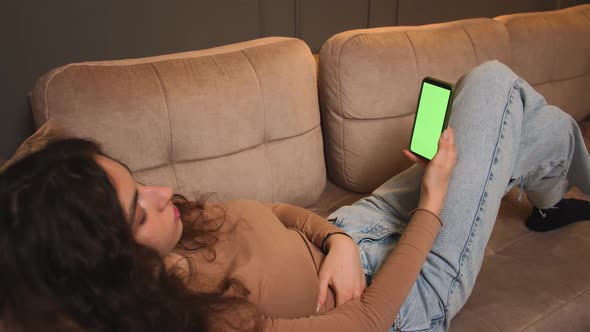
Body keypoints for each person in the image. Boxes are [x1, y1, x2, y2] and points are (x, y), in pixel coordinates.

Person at [1, 61, 589, 332]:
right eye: (139, 208)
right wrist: (432, 201)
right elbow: (366, 316)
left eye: (138, 181)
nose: (162, 193)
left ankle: (548, 200)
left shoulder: (176, 230)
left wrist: (334, 239)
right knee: (491, 86)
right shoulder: (197, 321)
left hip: (351, 229)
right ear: (106, 267)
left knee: (505, 117)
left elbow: (276, 213)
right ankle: (549, 194)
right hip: (407, 292)